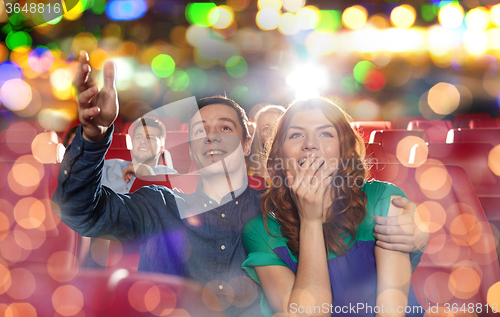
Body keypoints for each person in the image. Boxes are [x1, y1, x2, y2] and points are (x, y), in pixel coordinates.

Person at [53, 51, 426, 316]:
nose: (212, 137)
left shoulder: (282, 208)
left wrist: (418, 232)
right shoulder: (157, 205)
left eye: (225, 128)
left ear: (248, 143)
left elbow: (349, 231)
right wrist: (95, 135)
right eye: (201, 130)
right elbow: (79, 212)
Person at [242, 97, 423, 317]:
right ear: (280, 153)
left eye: (325, 133)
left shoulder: (383, 199)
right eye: (296, 134)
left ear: (343, 149)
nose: (311, 144)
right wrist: (310, 221)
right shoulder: (260, 231)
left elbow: (392, 311)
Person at [102, 116, 177, 194]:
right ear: (132, 143)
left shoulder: (171, 177)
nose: (143, 141)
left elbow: (167, 204)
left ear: (162, 148)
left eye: (150, 138)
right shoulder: (108, 167)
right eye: (138, 137)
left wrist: (147, 174)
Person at [247, 105, 285, 180]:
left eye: (276, 125)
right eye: (266, 128)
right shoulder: (248, 170)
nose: (272, 132)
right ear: (259, 136)